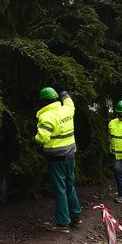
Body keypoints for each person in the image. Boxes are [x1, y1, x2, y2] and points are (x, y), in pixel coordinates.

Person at [31, 87, 81, 233]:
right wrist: (64, 92)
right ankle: (76, 215)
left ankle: (63, 223)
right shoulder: (67, 109)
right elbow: (69, 102)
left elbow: (43, 137)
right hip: (71, 155)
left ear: (44, 101)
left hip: (56, 159)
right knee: (69, 186)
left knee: (60, 189)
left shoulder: (46, 116)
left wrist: (33, 140)